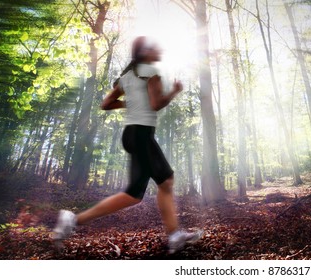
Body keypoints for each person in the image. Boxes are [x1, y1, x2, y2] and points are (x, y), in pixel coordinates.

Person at [52, 36, 202, 254]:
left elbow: (106, 104)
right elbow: (156, 104)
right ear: (144, 53)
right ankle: (174, 235)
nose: (158, 47)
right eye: (152, 46)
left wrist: (129, 101)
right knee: (166, 180)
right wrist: (175, 91)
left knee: (134, 195)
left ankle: (72, 220)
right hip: (141, 134)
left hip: (131, 135)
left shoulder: (126, 77)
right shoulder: (150, 71)